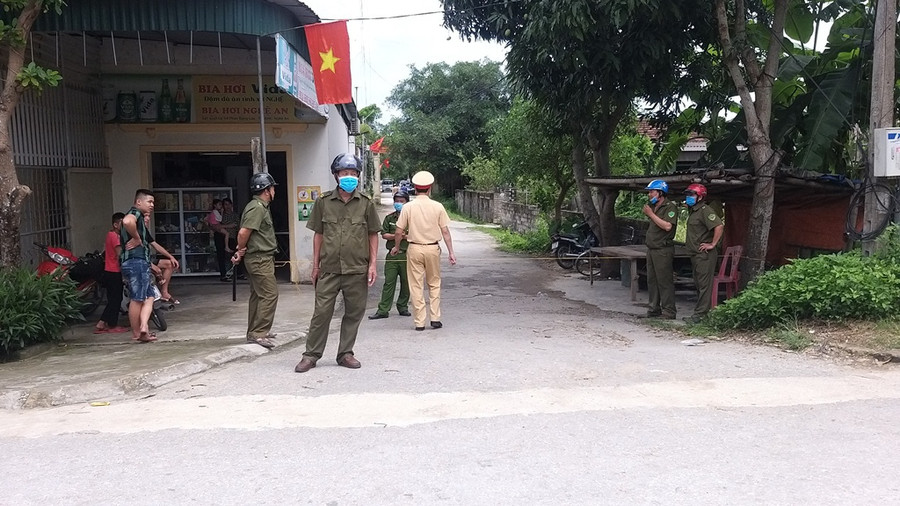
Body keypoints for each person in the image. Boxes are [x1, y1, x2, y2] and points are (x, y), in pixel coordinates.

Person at [294, 153, 381, 373]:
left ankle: (345, 353)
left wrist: (372, 265)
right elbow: (318, 235)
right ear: (336, 175)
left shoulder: (366, 203)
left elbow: (373, 234)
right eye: (344, 173)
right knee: (321, 313)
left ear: (358, 176)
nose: (349, 177)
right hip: (329, 270)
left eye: (353, 173)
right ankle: (311, 355)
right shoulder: (323, 202)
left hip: (356, 269)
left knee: (354, 313)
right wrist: (315, 266)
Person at [392, 170, 457, 331]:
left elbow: (399, 231)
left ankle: (419, 322)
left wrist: (397, 247)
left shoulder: (408, 207)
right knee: (434, 283)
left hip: (414, 248)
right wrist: (451, 252)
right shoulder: (438, 206)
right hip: (432, 248)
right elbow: (445, 232)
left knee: (416, 285)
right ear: (430, 188)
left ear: (415, 188)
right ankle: (435, 318)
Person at [231, 172, 280, 349]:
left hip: (260, 258)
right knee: (269, 294)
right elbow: (244, 232)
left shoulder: (259, 206)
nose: (274, 191)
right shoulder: (257, 208)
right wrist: (240, 249)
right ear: (267, 190)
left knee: (258, 295)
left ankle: (254, 331)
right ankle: (259, 333)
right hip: (259, 259)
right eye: (272, 188)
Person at [120, 189, 158, 342]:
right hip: (136, 261)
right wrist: (136, 238)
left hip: (137, 262)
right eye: (149, 202)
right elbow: (127, 221)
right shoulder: (135, 213)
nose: (152, 205)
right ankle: (137, 333)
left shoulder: (140, 217)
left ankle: (144, 327)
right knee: (137, 298)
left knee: (150, 296)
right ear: (138, 202)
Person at [683, 183, 724, 323]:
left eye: (691, 195)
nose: (688, 197)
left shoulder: (705, 210)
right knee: (699, 284)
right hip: (695, 254)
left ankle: (700, 315)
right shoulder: (694, 211)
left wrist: (712, 244)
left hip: (704, 255)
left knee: (704, 286)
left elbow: (719, 226)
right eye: (687, 195)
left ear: (700, 197)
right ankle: (701, 313)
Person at [369, 191, 412, 320]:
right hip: (392, 255)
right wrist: (397, 236)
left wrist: (402, 236)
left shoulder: (412, 219)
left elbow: (415, 235)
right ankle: (383, 310)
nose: (398, 203)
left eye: (401, 201)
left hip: (407, 255)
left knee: (406, 283)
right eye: (396, 201)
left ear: (407, 202)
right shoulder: (390, 218)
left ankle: (403, 306)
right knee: (389, 282)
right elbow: (384, 234)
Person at [640, 180, 679, 320]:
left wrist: (651, 214)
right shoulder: (653, 206)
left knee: (664, 281)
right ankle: (653, 309)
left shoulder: (670, 207)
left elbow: (667, 226)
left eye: (652, 191)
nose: (649, 194)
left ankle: (669, 311)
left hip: (663, 249)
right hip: (652, 249)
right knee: (652, 280)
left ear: (660, 193)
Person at [95, 212, 128, 334]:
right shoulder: (115, 237)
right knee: (116, 299)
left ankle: (103, 322)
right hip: (114, 271)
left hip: (110, 270)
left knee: (113, 299)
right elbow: (120, 254)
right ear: (115, 224)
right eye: (122, 224)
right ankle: (111, 324)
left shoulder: (110, 235)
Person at [206, 199, 231, 281]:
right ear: (215, 205)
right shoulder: (216, 212)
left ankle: (224, 274)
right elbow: (219, 220)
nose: (221, 206)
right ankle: (227, 247)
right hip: (217, 230)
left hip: (216, 230)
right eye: (219, 205)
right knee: (227, 234)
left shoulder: (212, 213)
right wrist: (222, 213)